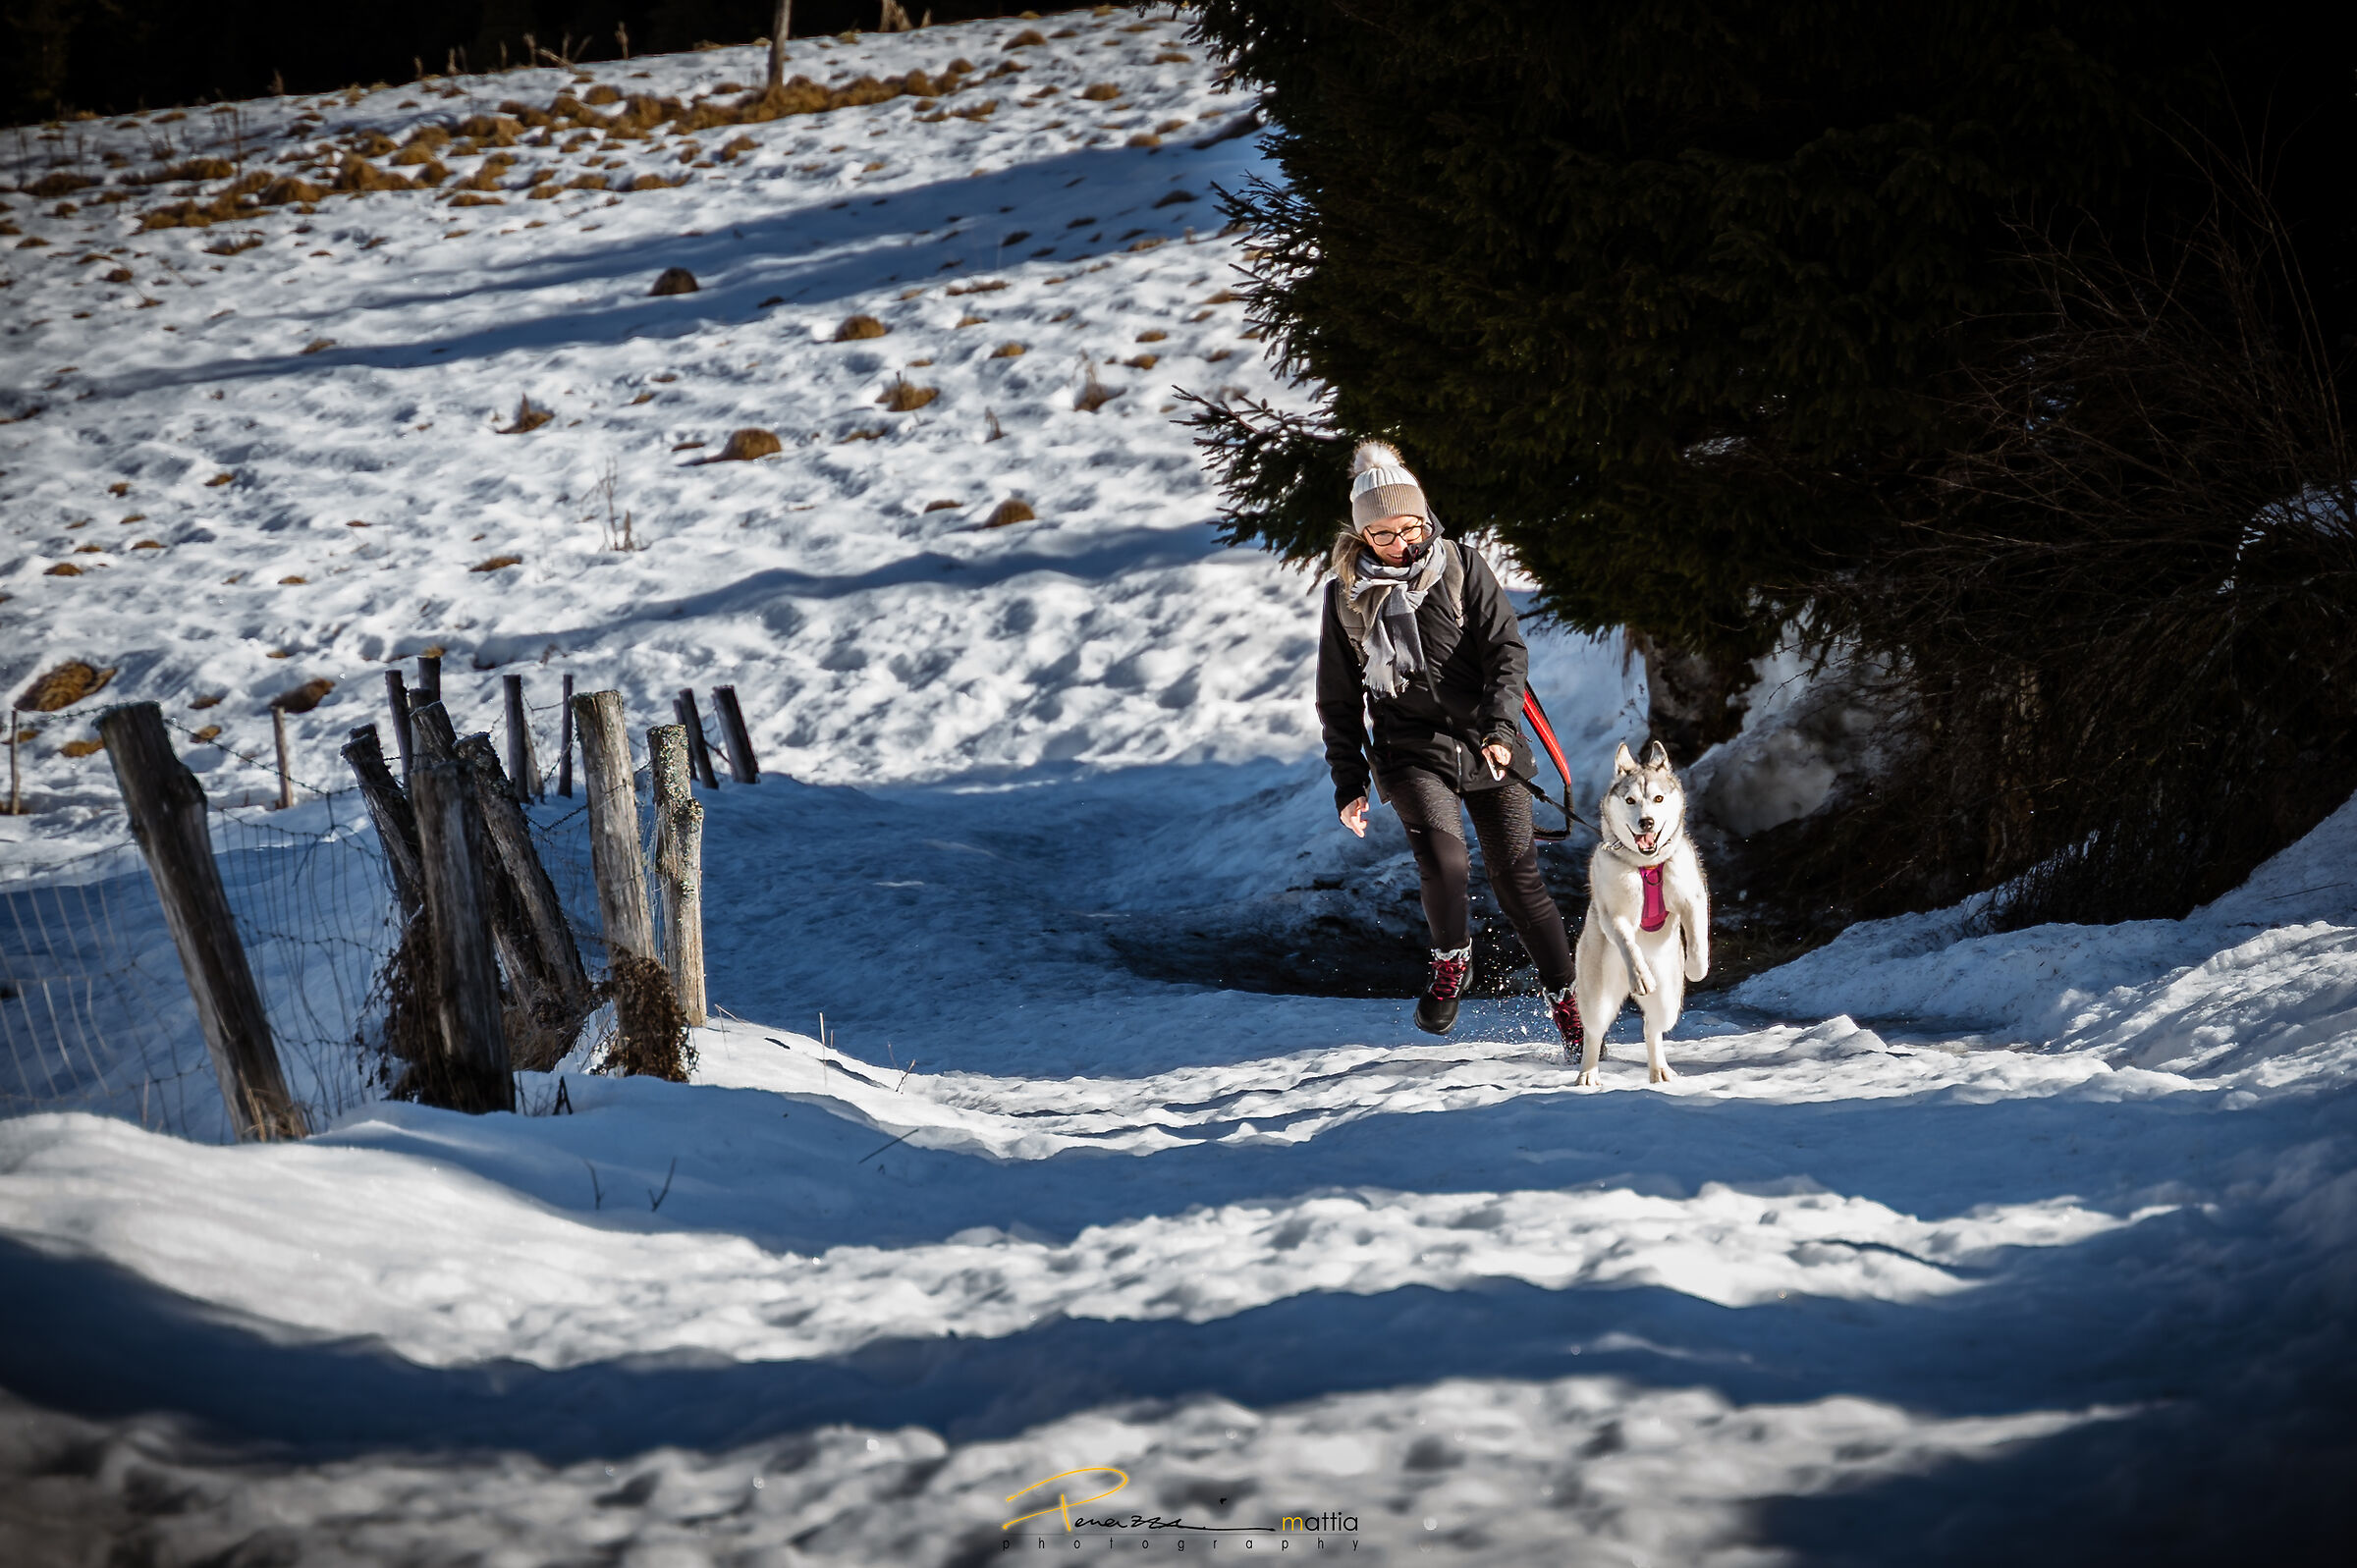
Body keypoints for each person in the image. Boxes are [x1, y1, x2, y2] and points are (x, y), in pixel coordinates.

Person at [1315, 441, 1583, 1054]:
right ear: (1361, 537)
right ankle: (1450, 962)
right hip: (1409, 749)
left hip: (1491, 740)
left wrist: (1497, 729)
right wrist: (1349, 781)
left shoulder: (1463, 566)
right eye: (1381, 535)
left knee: (1519, 880)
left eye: (1409, 528)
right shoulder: (1345, 597)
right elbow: (1337, 699)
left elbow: (1506, 654)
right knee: (1446, 860)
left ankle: (1570, 1004)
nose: (1400, 544)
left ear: (1425, 517)